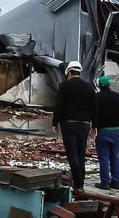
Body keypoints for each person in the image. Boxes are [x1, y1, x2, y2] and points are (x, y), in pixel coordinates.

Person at [52, 61, 97, 192]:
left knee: (72, 154)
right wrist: (94, 126)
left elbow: (59, 105)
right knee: (80, 153)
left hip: (69, 123)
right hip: (84, 124)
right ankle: (79, 183)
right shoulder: (89, 87)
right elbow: (95, 107)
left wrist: (55, 122)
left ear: (69, 72)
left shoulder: (65, 86)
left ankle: (78, 184)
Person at [94, 75, 119, 190]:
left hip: (102, 131)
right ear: (110, 84)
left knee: (103, 157)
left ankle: (105, 183)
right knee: (114, 157)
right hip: (116, 131)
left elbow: (92, 115)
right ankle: (116, 182)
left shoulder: (96, 97)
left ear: (99, 85)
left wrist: (93, 129)